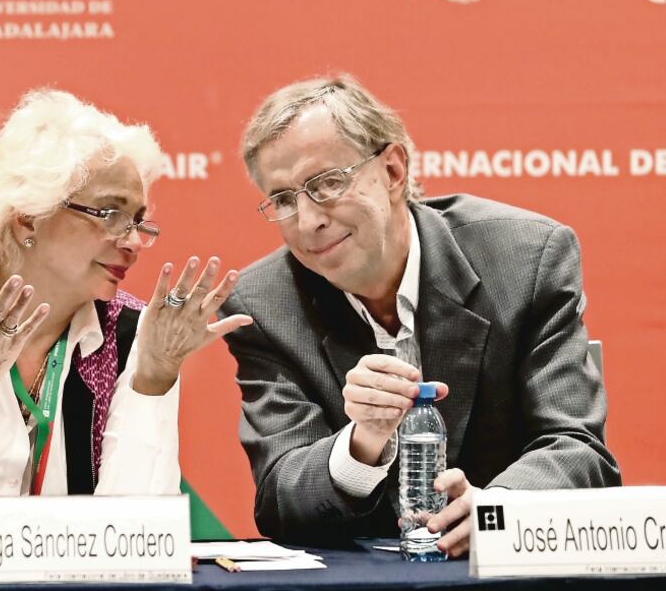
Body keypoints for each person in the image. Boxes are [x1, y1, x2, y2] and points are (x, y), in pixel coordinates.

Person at [218, 76, 620, 555]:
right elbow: (280, 502)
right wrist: (360, 443)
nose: (308, 222)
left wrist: (499, 511)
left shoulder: (524, 260)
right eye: (284, 199)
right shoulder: (265, 303)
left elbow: (579, 449)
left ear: (392, 171)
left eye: (326, 184)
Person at [0, 89, 251, 544]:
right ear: (27, 219)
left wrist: (153, 380)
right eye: (110, 214)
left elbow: (138, 535)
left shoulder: (136, 334)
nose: (133, 241)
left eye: (138, 220)